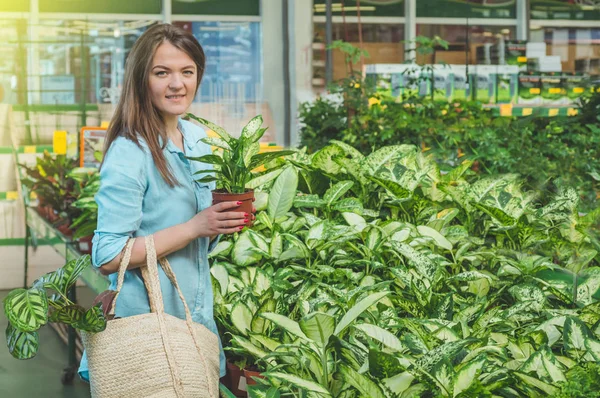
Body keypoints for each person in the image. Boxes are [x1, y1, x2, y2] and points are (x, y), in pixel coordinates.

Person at [78, 23, 251, 383]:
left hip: (195, 320)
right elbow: (108, 256)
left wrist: (225, 222)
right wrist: (194, 228)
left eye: (187, 72)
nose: (177, 84)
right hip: (148, 329)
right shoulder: (130, 152)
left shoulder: (199, 139)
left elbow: (205, 232)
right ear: (142, 79)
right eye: (162, 73)